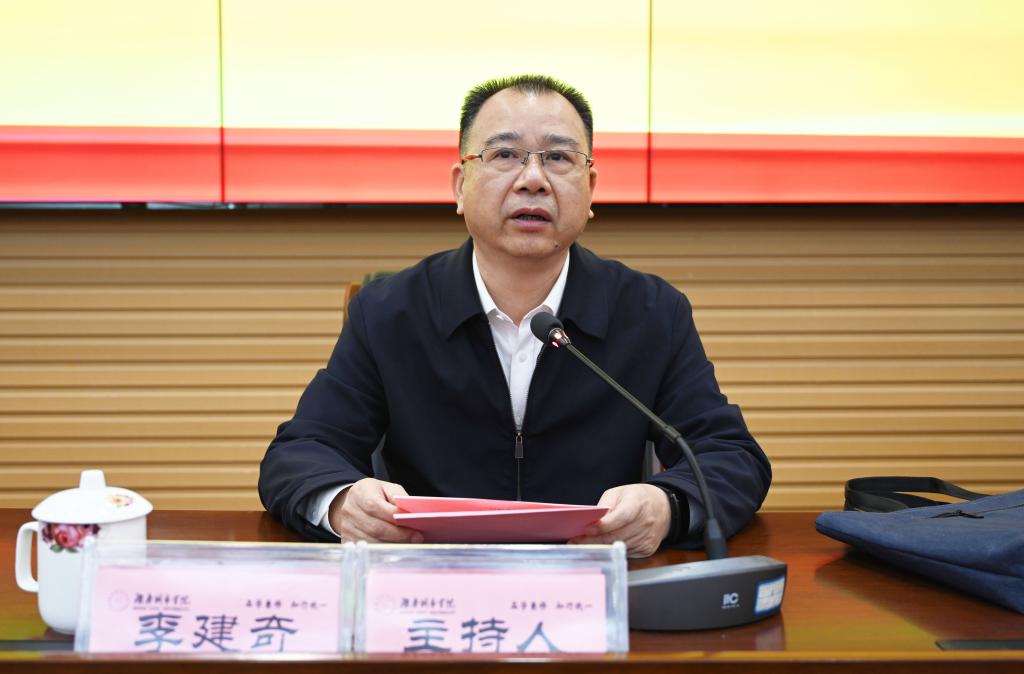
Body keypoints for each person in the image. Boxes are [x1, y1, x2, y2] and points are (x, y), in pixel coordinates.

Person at [259, 74, 771, 558]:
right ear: (460, 185)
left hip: (594, 583)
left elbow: (730, 456)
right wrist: (342, 502)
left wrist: (668, 506)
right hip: (436, 580)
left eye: (559, 157)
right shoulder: (389, 312)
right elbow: (301, 452)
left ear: (590, 189)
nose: (533, 180)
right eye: (505, 154)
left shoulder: (650, 312)